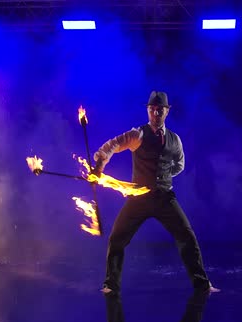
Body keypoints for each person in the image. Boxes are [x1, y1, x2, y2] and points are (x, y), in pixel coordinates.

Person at [92, 91, 218, 294]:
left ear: (167, 111)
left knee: (187, 238)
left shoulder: (174, 140)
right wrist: (100, 163)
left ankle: (202, 285)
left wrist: (164, 177)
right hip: (138, 200)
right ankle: (110, 284)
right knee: (117, 239)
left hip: (164, 198)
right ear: (148, 110)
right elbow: (113, 145)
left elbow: (180, 165)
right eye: (152, 109)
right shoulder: (137, 134)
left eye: (160, 110)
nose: (155, 113)